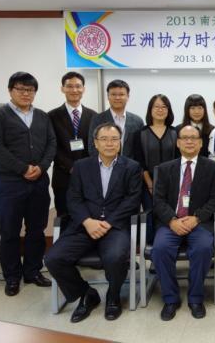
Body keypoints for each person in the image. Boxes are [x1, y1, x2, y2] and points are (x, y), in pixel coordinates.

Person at [45, 123, 142, 322]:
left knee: (115, 257)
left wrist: (109, 222)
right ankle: (86, 293)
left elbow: (132, 200)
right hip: (84, 226)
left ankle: (113, 295)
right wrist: (87, 221)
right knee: (53, 258)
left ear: (120, 142)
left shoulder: (131, 167)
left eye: (114, 139)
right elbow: (73, 198)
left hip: (115, 227)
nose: (109, 143)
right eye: (104, 139)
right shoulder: (82, 166)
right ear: (95, 143)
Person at [0, 72, 56, 296]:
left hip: (39, 182)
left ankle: (33, 271)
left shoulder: (42, 116)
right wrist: (23, 169)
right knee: (10, 231)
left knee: (36, 229)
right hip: (10, 183)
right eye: (21, 89)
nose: (26, 93)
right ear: (10, 91)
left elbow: (51, 144)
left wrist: (41, 167)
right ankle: (12, 276)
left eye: (30, 90)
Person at [151, 125, 215, 321]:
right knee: (160, 249)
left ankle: (196, 298)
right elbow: (158, 200)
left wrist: (197, 217)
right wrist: (171, 220)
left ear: (201, 143)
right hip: (171, 223)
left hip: (199, 223)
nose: (189, 141)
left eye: (194, 138)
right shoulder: (165, 168)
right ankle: (170, 299)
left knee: (203, 249)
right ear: (178, 143)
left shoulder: (211, 167)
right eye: (185, 138)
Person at [48, 72, 97, 221]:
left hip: (89, 176)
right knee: (64, 217)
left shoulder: (94, 116)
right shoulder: (51, 116)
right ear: (62, 89)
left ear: (83, 89)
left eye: (78, 86)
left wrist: (84, 167)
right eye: (69, 86)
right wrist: (70, 167)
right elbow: (51, 146)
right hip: (63, 176)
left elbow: (96, 145)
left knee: (88, 216)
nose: (74, 90)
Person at [134, 94, 177, 243]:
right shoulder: (140, 133)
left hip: (172, 184)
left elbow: (178, 159)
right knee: (150, 215)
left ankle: (167, 245)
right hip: (147, 184)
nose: (160, 110)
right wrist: (150, 184)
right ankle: (151, 249)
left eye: (164, 107)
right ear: (150, 110)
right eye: (156, 107)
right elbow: (139, 161)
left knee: (169, 214)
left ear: (168, 110)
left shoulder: (175, 132)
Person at [88, 79, 144, 159]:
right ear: (108, 96)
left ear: (128, 96)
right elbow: (92, 146)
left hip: (131, 165)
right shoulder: (97, 119)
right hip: (105, 165)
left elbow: (140, 149)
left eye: (121, 94)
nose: (117, 98)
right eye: (113, 94)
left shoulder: (137, 121)